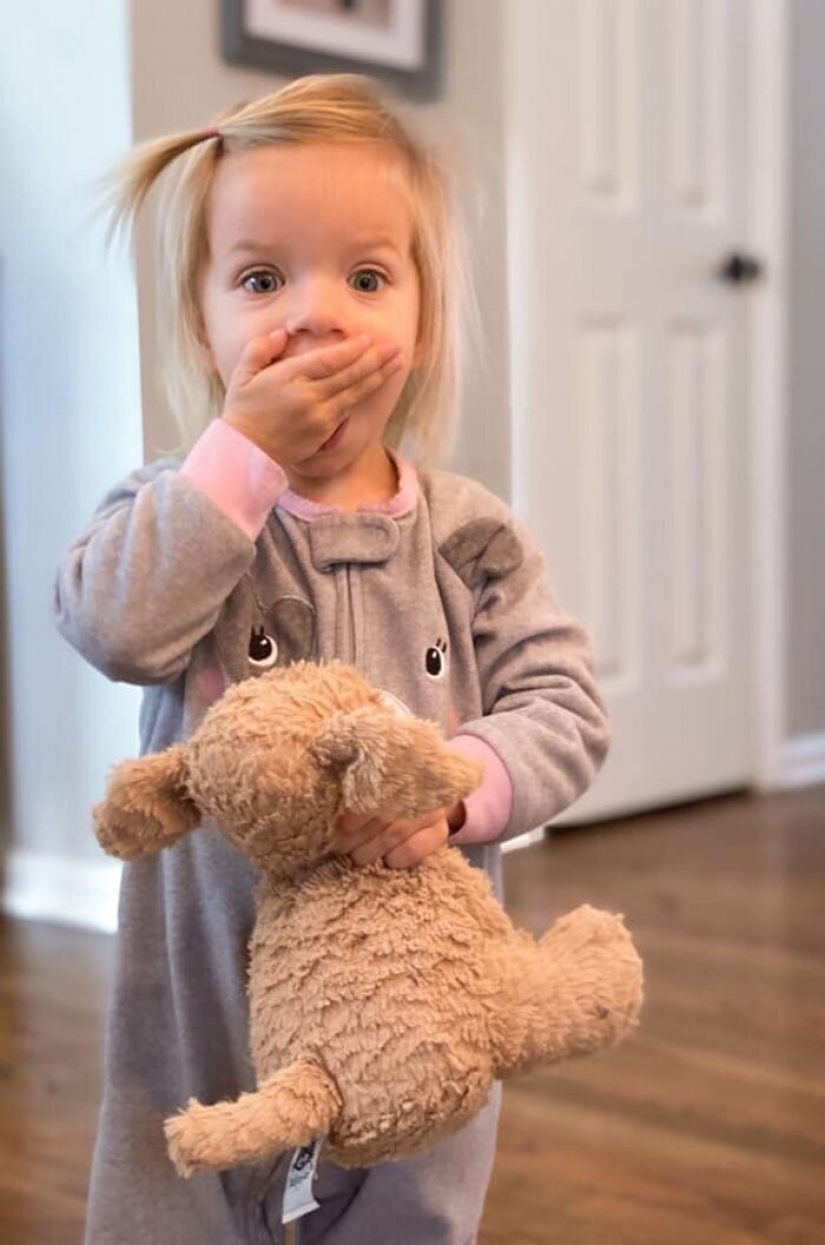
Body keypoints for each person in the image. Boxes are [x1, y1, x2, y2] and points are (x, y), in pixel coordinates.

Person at [54, 73, 609, 1245]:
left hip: (415, 1005)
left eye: (365, 278)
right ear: (203, 325)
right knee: (178, 1195)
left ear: (422, 319)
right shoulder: (176, 509)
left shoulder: (468, 537)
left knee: (414, 1202)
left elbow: (564, 705)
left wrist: (464, 779)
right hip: (202, 1004)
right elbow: (112, 625)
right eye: (262, 280)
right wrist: (238, 460)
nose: (316, 316)